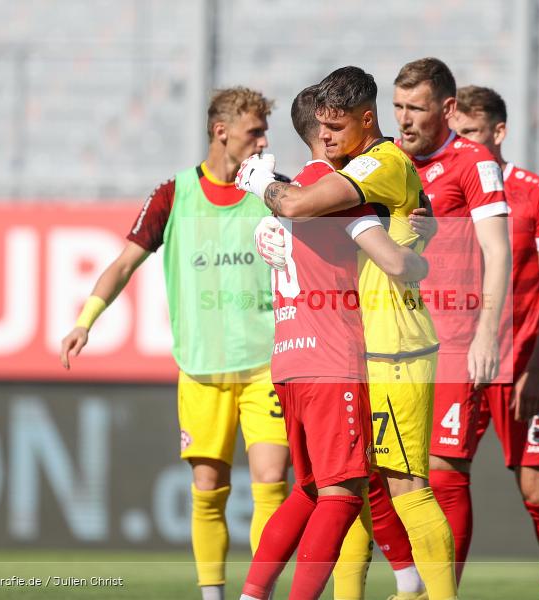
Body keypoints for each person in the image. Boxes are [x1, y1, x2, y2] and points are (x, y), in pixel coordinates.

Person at [59, 87, 290, 600]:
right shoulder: (173, 194)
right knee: (208, 490)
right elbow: (123, 264)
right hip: (202, 369)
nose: (264, 142)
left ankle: (260, 594)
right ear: (221, 131)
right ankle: (211, 595)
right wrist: (85, 320)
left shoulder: (276, 193)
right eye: (255, 132)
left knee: (271, 485)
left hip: (266, 367)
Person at [237, 66, 458, 600]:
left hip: (392, 346)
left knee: (403, 488)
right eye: (323, 127)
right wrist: (420, 237)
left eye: (338, 125)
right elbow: (410, 228)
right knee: (351, 488)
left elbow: (293, 206)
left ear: (365, 119)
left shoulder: (374, 165)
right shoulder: (347, 178)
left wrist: (261, 182)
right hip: (354, 349)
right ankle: (392, 588)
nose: (330, 134)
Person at [387, 58, 513, 588]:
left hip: (455, 339)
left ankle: (442, 592)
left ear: (447, 109)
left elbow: (497, 250)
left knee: (443, 471)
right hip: (390, 340)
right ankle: (409, 584)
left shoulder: (472, 161)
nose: (404, 119)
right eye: (397, 107)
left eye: (415, 108)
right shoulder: (386, 160)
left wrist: (487, 333)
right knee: (385, 477)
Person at [451, 85, 539, 600]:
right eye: (455, 136)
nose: (463, 146)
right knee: (442, 480)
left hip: (520, 360)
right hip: (460, 363)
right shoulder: (443, 189)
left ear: (498, 133)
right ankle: (440, 591)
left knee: (537, 490)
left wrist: (536, 369)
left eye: (472, 135)